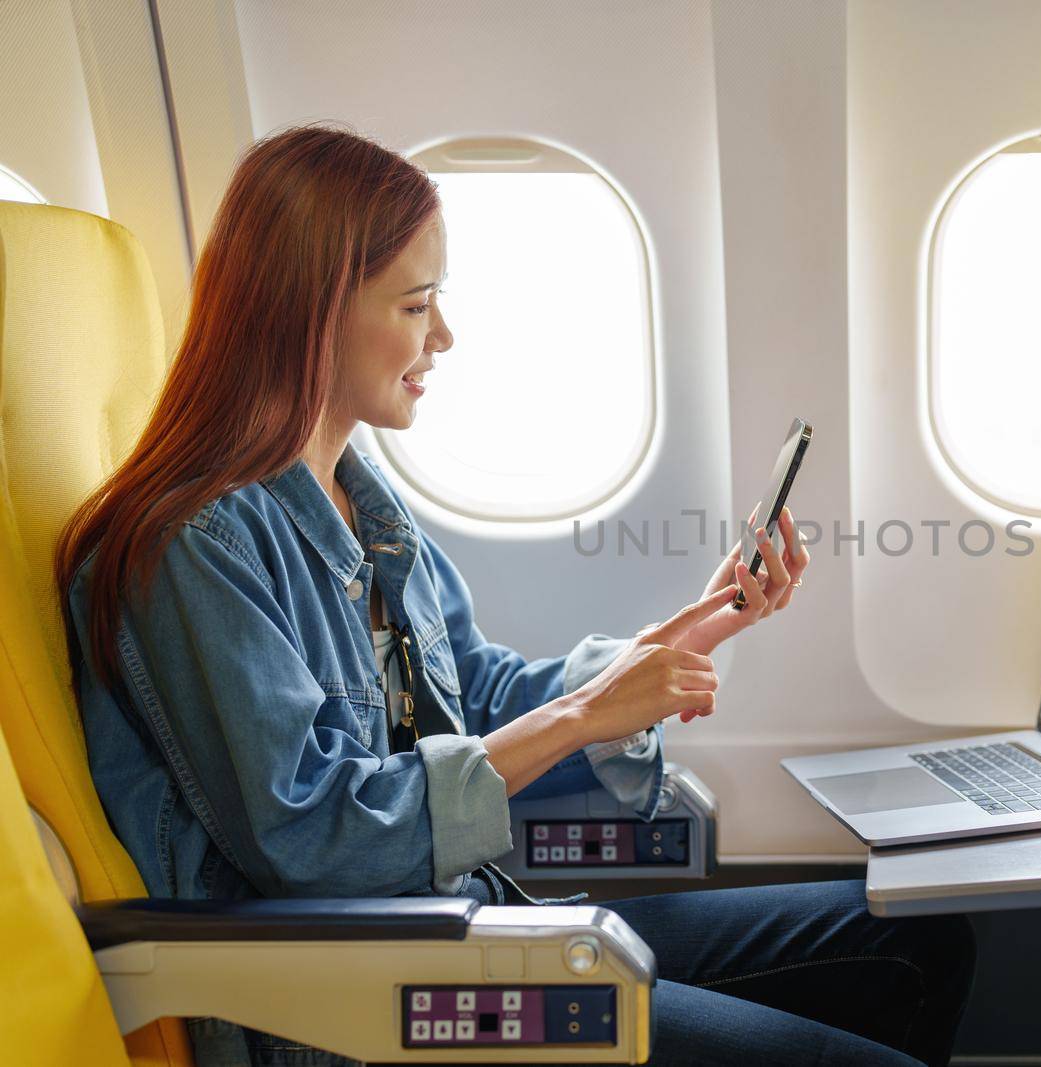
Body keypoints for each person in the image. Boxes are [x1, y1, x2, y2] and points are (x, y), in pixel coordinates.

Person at [55, 122, 974, 1067]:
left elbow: (482, 694)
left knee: (913, 943)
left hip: (466, 928)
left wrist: (676, 641)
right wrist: (582, 713)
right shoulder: (191, 549)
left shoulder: (362, 503)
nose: (442, 336)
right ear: (313, 311)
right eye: (416, 305)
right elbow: (315, 836)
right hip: (367, 1007)